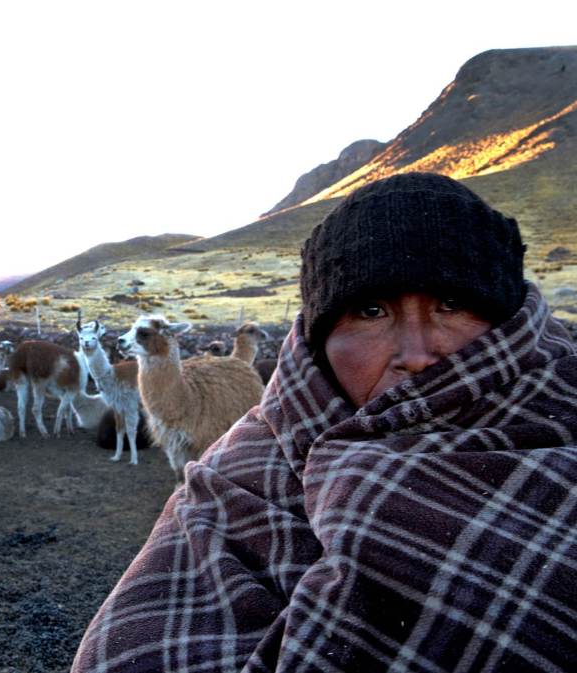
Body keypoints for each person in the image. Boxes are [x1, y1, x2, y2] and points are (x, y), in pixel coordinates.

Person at [71, 172, 577, 672]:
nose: (418, 355)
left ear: (511, 326)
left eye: (453, 304)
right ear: (320, 340)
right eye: (372, 310)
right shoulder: (240, 482)